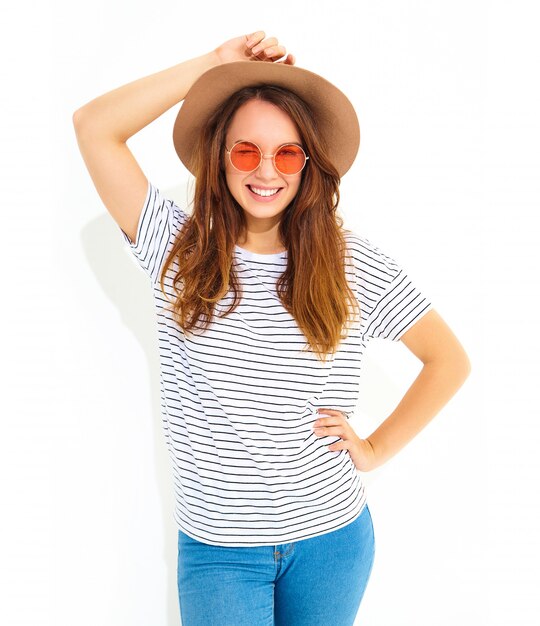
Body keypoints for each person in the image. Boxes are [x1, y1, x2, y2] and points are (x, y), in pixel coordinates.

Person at [73, 30, 471, 626]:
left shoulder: (349, 261)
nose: (266, 171)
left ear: (308, 165)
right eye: (245, 151)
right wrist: (212, 67)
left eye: (287, 153)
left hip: (333, 540)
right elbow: (93, 126)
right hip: (219, 552)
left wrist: (374, 449)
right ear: (220, 156)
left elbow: (449, 360)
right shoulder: (176, 249)